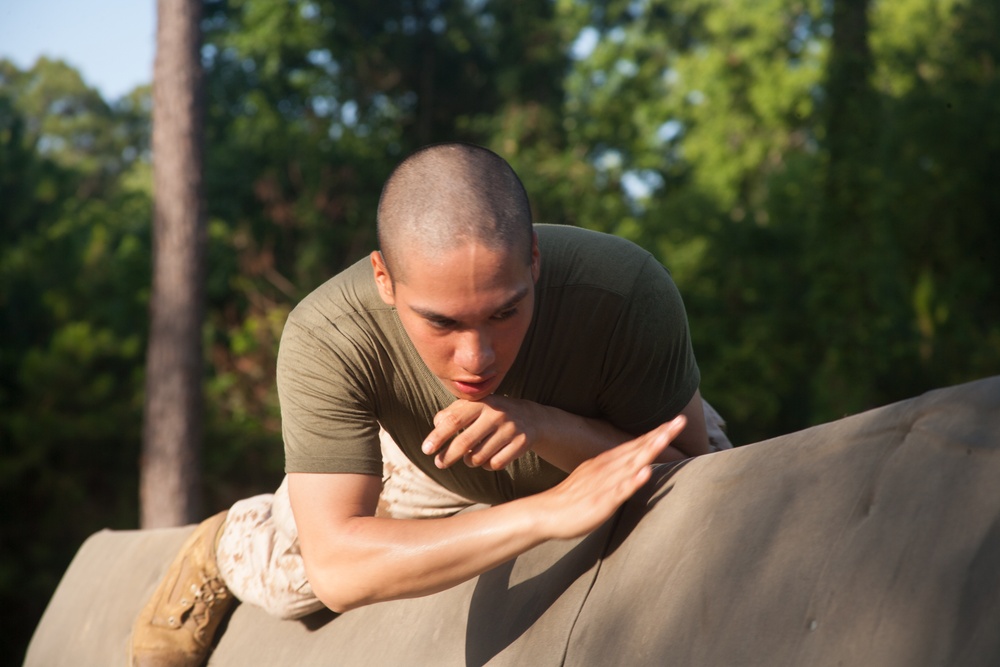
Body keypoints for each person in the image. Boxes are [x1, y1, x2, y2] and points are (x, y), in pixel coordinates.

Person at [129, 143, 731, 666]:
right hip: (428, 456)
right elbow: (339, 567)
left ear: (535, 262)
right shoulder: (329, 332)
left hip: (601, 432)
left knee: (718, 506)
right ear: (384, 279)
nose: (476, 359)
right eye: (441, 322)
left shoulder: (624, 289)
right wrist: (543, 514)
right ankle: (228, 538)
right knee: (293, 582)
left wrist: (541, 424)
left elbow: (685, 460)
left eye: (505, 312)